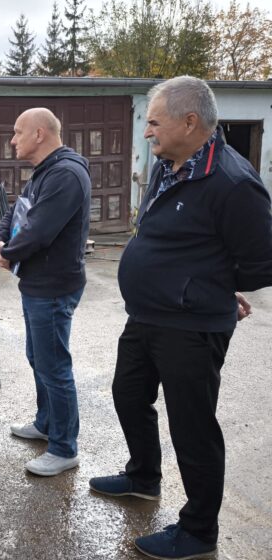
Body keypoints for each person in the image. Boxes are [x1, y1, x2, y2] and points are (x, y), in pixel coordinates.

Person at [89, 76, 272, 559]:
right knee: (127, 394)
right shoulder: (167, 164)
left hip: (191, 326)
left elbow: (261, 261)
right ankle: (144, 477)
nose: (147, 132)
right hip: (147, 315)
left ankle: (198, 532)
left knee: (192, 427)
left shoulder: (233, 182)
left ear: (190, 122)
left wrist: (211, 288)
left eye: (154, 122)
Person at [0, 108, 91, 476]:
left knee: (54, 366)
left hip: (53, 287)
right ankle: (46, 424)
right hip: (37, 284)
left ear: (38, 133)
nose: (13, 140)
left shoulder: (65, 174)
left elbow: (39, 230)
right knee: (39, 357)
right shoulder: (45, 172)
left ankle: (65, 448)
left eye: (17, 133)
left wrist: (8, 254)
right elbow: (17, 211)